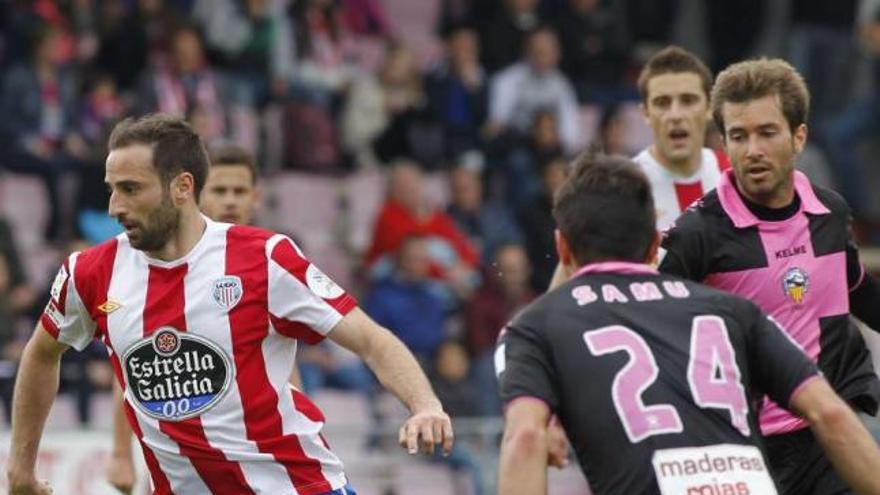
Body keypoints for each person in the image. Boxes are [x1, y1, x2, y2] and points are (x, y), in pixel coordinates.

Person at [7, 114, 454, 495]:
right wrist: (21, 468)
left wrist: (424, 405)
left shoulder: (265, 258)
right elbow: (42, 354)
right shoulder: (89, 273)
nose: (114, 207)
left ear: (182, 187)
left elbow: (371, 339)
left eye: (130, 189)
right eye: (111, 189)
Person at [496, 153, 880, 494]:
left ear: (562, 247)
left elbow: (526, 436)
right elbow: (828, 412)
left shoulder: (534, 326)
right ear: (652, 245)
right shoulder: (734, 311)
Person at [659, 58, 880, 495]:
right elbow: (654, 329)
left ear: (799, 137)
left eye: (766, 132)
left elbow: (857, 290)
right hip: (742, 450)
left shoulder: (829, 213)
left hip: (829, 438)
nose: (752, 150)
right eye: (738, 136)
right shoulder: (697, 234)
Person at [105, 142, 271, 493]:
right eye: (220, 190)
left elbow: (281, 360)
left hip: (260, 458)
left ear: (256, 198)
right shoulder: (163, 263)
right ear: (191, 192)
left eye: (239, 191)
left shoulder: (272, 259)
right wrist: (121, 453)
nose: (230, 201)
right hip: (185, 464)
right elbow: (134, 370)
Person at [633, 45, 730, 234]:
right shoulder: (624, 188)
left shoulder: (734, 178)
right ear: (645, 113)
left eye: (688, 100)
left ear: (710, 107)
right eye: (662, 103)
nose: (675, 114)